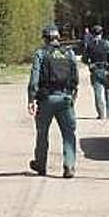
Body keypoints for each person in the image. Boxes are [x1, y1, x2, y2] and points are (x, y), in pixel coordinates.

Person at [28, 24, 78, 178]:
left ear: (45, 39)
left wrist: (31, 99)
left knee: (42, 133)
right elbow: (75, 77)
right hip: (65, 98)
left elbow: (34, 79)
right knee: (69, 134)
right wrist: (72, 96)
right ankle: (69, 165)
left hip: (46, 99)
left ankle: (41, 165)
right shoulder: (68, 53)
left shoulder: (41, 54)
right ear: (58, 38)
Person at [82, 24, 109, 119]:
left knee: (98, 93)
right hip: (105, 70)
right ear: (101, 33)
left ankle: (101, 114)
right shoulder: (107, 44)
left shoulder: (89, 45)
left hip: (95, 71)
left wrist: (90, 63)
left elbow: (84, 59)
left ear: (92, 34)